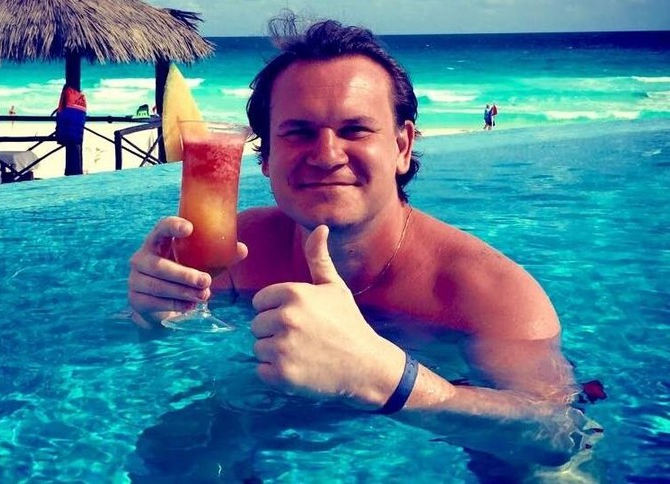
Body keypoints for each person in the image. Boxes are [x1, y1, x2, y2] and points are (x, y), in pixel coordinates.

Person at [128, 15, 600, 477]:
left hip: (429, 432)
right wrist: (150, 313)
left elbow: (562, 434)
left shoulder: (486, 291)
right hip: (278, 412)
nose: (326, 155)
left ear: (402, 147)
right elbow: (148, 342)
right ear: (266, 157)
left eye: (355, 130)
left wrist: (390, 380)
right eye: (298, 132)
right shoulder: (237, 251)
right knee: (173, 452)